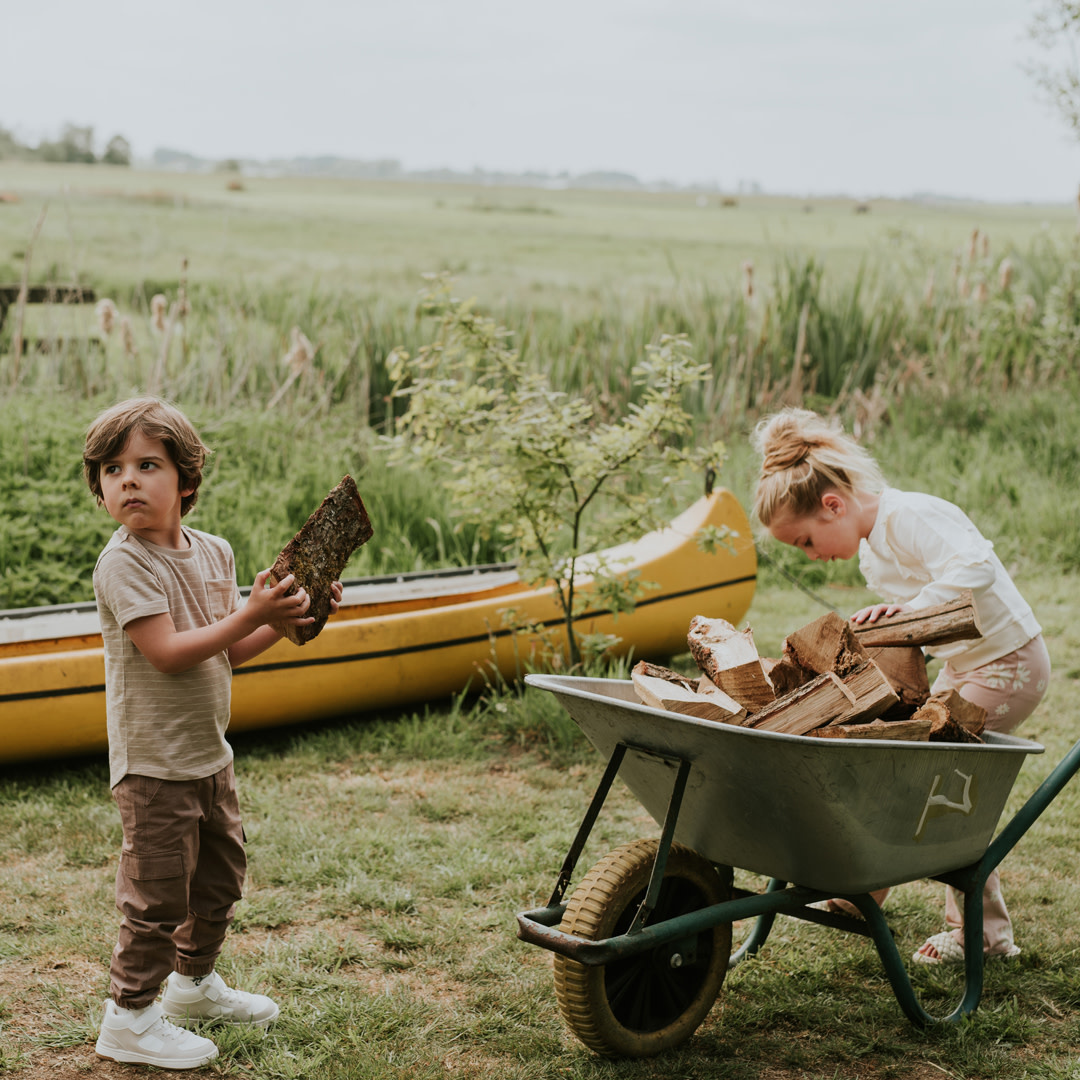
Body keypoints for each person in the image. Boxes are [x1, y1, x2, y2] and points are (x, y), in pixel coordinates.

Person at [83, 396, 341, 1068]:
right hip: (152, 761)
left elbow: (227, 647)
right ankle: (129, 1016)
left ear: (187, 480)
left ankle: (191, 987)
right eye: (112, 469)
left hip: (206, 753)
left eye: (146, 464)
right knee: (157, 895)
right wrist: (251, 610)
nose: (127, 479)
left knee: (219, 881)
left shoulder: (214, 552)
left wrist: (286, 618)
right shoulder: (124, 564)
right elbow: (168, 650)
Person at [752, 407, 1050, 966]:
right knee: (908, 762)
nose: (813, 556)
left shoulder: (910, 515)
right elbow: (919, 615)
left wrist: (911, 607)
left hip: (1010, 661)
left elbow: (976, 567)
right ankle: (872, 883)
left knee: (943, 785)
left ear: (833, 505)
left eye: (807, 542)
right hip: (967, 666)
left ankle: (982, 936)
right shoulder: (872, 551)